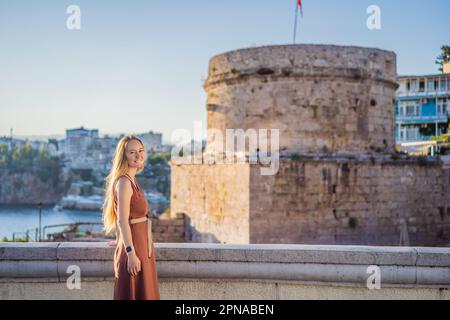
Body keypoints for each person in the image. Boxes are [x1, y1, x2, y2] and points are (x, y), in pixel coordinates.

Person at [102, 135, 160, 300]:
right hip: (135, 249)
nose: (138, 156)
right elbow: (122, 220)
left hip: (142, 247)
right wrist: (129, 252)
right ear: (124, 156)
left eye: (140, 151)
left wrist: (121, 240)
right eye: (132, 152)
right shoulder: (124, 183)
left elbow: (125, 217)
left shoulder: (132, 180)